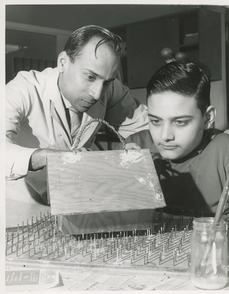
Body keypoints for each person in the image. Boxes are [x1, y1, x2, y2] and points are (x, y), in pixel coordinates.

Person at [5, 25, 148, 205]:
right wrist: (50, 157)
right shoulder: (22, 89)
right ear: (63, 62)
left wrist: (130, 150)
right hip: (19, 204)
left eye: (107, 82)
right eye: (90, 77)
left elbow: (148, 126)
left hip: (72, 201)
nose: (97, 94)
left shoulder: (110, 89)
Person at [124, 60, 229, 217]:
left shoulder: (225, 150)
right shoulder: (135, 147)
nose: (165, 136)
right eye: (155, 121)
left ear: (207, 118)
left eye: (180, 122)